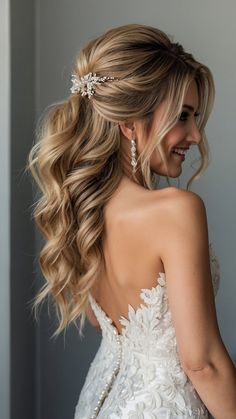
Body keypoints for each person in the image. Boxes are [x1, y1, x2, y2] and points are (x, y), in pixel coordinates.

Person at [27, 24, 236, 418]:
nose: (195, 134)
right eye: (183, 116)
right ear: (128, 123)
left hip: (98, 404)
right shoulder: (176, 210)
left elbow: (101, 322)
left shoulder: (83, 211)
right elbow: (202, 362)